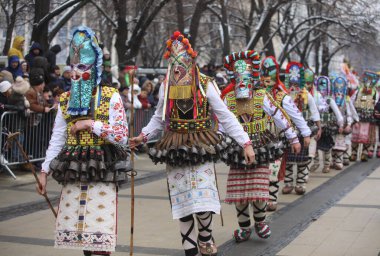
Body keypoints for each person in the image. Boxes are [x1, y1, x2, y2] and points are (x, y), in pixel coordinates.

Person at [129, 31, 255, 256]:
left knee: (203, 196)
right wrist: (144, 135)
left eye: (184, 60)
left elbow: (225, 115)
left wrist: (246, 142)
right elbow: (159, 117)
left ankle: (205, 238)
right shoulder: (167, 85)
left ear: (191, 59)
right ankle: (189, 248)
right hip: (175, 146)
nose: (179, 66)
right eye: (174, 61)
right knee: (182, 201)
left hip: (201, 145)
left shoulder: (206, 84)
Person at [36, 26, 130, 256]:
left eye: (83, 66)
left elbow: (121, 135)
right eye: (73, 66)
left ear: (95, 67)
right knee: (81, 233)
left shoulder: (111, 95)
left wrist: (90, 124)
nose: (76, 72)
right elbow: (57, 138)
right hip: (74, 166)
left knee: (99, 231)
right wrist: (44, 171)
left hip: (103, 165)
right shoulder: (66, 99)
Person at [220, 52, 301, 242]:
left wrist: (294, 138)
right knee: (238, 192)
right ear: (233, 77)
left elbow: (279, 117)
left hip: (260, 147)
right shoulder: (228, 99)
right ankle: (244, 227)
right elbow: (222, 124)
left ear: (252, 77)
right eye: (238, 77)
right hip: (237, 150)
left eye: (246, 77)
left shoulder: (261, 96)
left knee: (258, 188)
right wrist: (217, 140)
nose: (242, 82)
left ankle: (260, 222)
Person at [260, 56, 311, 212]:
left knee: (273, 169)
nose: (267, 80)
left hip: (276, 139)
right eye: (264, 74)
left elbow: (296, 115)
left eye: (270, 74)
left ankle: (272, 199)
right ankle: (260, 197)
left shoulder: (283, 97)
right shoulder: (255, 94)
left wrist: (305, 133)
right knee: (260, 170)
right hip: (257, 139)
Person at [282, 62, 321, 195]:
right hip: (287, 131)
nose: (294, 86)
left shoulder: (307, 95)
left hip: (303, 129)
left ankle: (300, 183)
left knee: (303, 160)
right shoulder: (284, 93)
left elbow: (314, 112)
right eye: (292, 83)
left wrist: (319, 127)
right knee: (287, 159)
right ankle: (288, 182)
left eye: (297, 83)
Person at [310, 76, 344, 173]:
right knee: (314, 145)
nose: (322, 88)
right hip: (315, 126)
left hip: (326, 126)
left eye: (324, 85)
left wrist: (341, 124)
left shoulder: (329, 100)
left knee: (327, 146)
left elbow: (338, 114)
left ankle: (327, 164)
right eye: (320, 85)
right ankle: (316, 162)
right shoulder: (313, 97)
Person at [350, 71, 378, 161]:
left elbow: (376, 103)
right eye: (367, 80)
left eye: (370, 81)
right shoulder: (358, 91)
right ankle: (354, 153)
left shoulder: (375, 93)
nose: (368, 83)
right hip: (358, 117)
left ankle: (364, 154)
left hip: (368, 118)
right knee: (355, 136)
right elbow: (351, 101)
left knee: (366, 137)